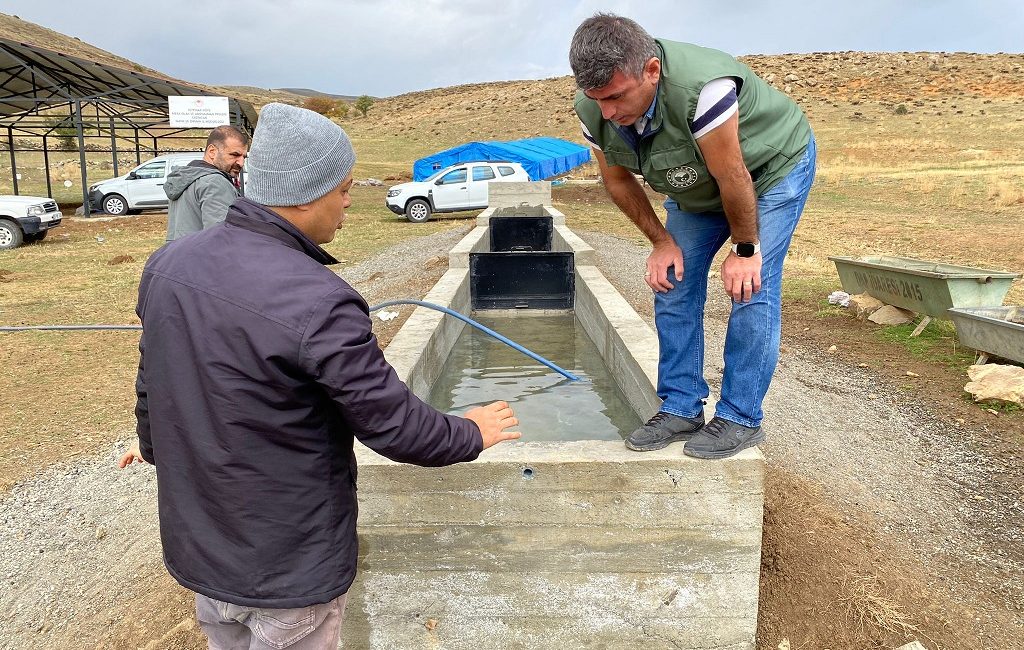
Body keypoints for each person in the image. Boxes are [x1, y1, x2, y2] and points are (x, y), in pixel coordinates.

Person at [122, 103, 521, 649]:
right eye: (344, 188)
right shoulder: (319, 301)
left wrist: (151, 447)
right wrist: (471, 431)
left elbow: (152, 384)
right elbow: (396, 427)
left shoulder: (170, 265)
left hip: (206, 550)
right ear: (308, 192)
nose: (350, 202)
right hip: (288, 566)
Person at [569, 13, 816, 459]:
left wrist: (745, 249)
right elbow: (619, 182)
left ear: (651, 70)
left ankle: (741, 417)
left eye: (616, 97)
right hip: (699, 190)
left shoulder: (704, 91)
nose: (607, 112)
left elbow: (733, 175)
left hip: (768, 172)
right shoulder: (594, 110)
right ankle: (682, 405)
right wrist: (662, 242)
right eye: (596, 98)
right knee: (673, 282)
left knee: (751, 288)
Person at [163, 124, 249, 241]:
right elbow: (221, 239)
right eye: (235, 155)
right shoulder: (214, 182)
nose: (241, 163)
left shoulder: (186, 179)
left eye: (244, 157)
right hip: (202, 257)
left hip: (178, 255)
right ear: (212, 152)